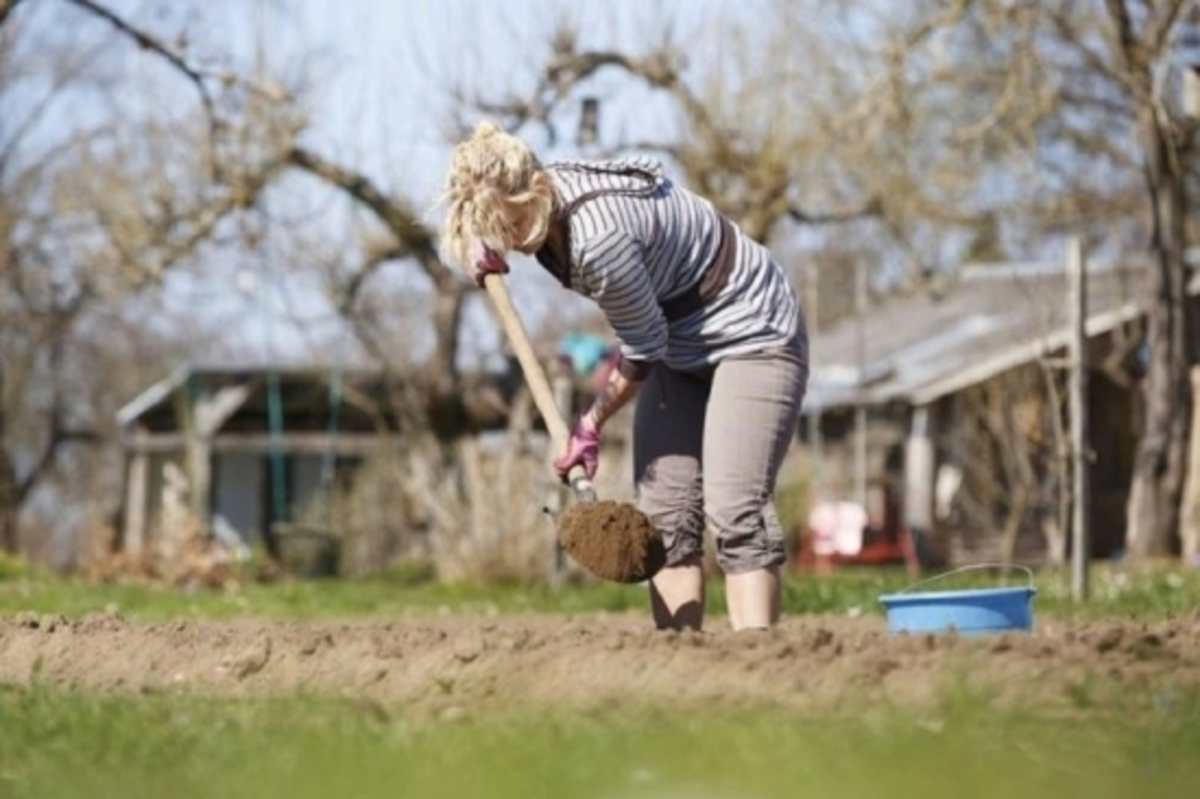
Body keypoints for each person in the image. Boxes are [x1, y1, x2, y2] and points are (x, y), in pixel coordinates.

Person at [441, 121, 809, 632]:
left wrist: (589, 425)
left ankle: (762, 666)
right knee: (666, 518)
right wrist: (485, 245)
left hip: (751, 334)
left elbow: (641, 351)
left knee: (735, 509)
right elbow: (654, 339)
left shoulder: (599, 240)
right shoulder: (537, 191)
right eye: (495, 228)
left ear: (538, 190)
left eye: (512, 226)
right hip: (678, 342)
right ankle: (683, 672)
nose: (510, 241)